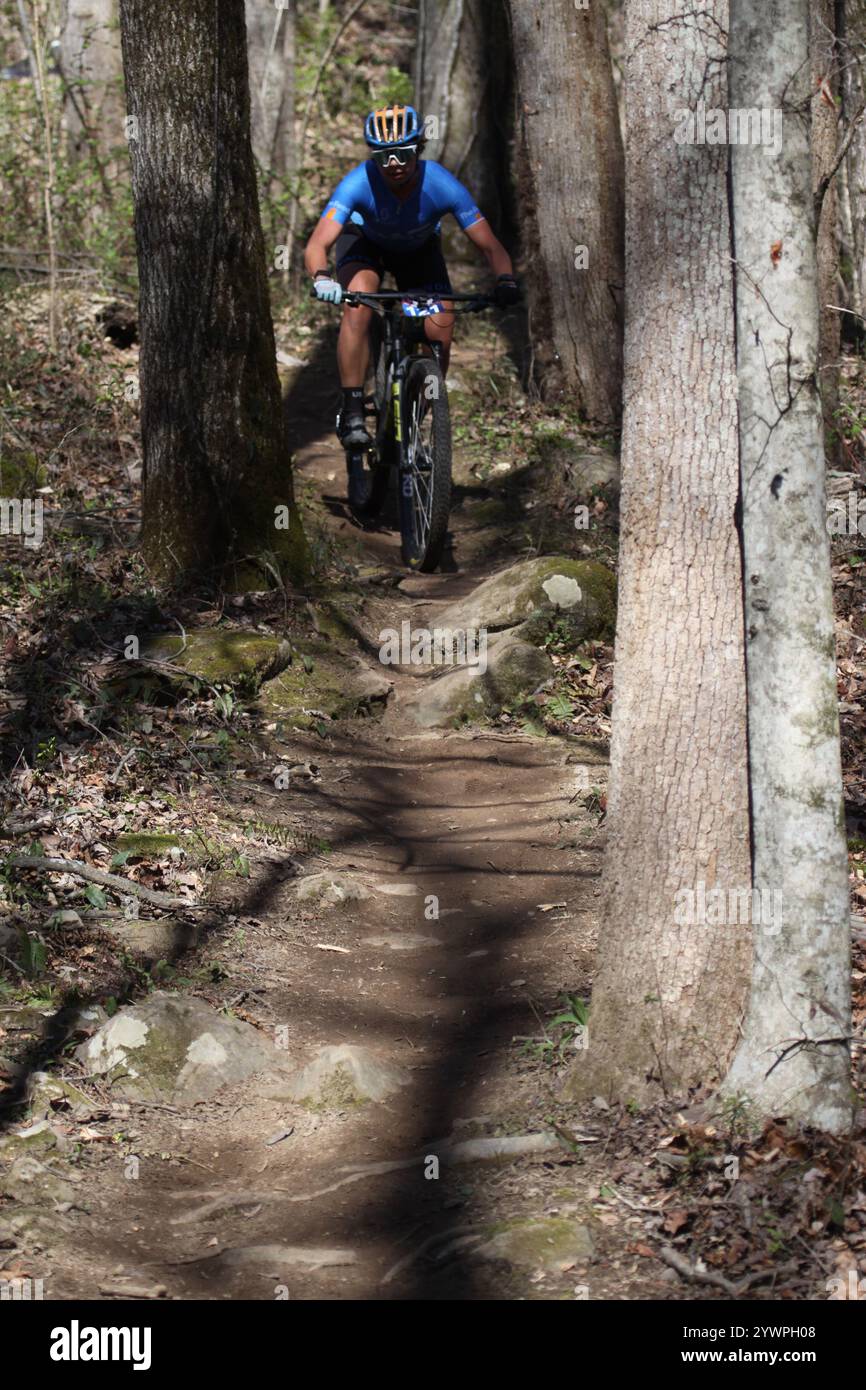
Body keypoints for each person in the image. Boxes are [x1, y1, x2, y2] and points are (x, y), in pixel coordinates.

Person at [304, 104, 519, 449]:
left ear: (418, 148)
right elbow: (318, 243)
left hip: (417, 253)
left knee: (440, 325)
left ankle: (416, 410)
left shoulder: (441, 184)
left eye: (403, 154)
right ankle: (353, 409)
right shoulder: (359, 182)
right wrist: (321, 277)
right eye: (384, 155)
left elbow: (490, 246)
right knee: (359, 300)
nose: (394, 164)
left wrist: (505, 280)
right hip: (365, 246)